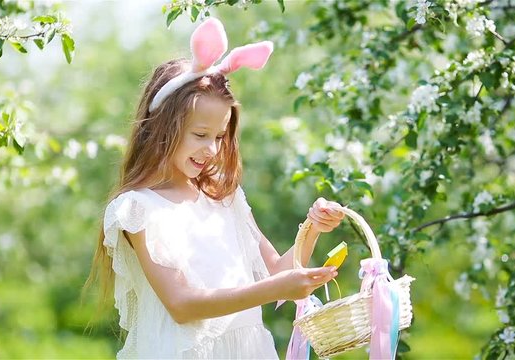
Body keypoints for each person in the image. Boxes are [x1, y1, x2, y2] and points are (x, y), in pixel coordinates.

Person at [86, 17, 345, 359]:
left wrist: (313, 226)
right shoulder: (138, 209)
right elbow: (182, 305)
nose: (211, 149)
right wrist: (272, 290)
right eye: (200, 135)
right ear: (163, 127)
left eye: (220, 137)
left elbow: (280, 272)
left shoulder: (225, 200)